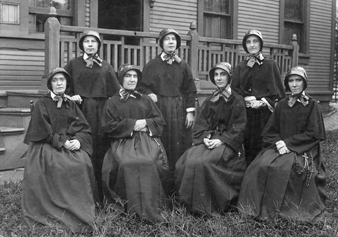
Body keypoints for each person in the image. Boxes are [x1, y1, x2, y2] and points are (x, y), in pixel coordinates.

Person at [237, 66, 326, 220]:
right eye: (291, 81)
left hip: (302, 148)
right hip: (279, 146)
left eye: (298, 80)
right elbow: (270, 130)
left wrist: (289, 144)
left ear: (304, 83)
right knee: (260, 164)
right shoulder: (282, 104)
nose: (294, 84)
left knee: (284, 168)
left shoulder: (313, 105)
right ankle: (255, 207)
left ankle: (281, 210)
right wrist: (278, 142)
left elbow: (313, 134)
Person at [22, 68, 98, 233]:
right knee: (60, 165)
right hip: (47, 145)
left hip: (70, 143)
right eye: (55, 80)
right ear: (50, 84)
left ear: (66, 83)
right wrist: (62, 142)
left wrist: (78, 140)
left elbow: (83, 126)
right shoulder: (41, 104)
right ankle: (56, 209)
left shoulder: (71, 103)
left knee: (82, 161)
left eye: (62, 80)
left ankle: (79, 207)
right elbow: (43, 130)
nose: (59, 83)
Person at [101, 64, 170, 223]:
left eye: (134, 76)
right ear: (121, 79)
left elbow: (159, 121)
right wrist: (132, 125)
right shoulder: (112, 101)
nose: (132, 79)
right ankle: (128, 206)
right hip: (123, 141)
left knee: (149, 162)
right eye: (127, 76)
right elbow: (108, 126)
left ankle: (152, 206)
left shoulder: (145, 99)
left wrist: (145, 123)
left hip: (147, 140)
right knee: (126, 163)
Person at [175, 62, 247, 215]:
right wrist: (205, 137)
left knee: (204, 163)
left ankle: (208, 205)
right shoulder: (210, 100)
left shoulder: (237, 99)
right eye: (216, 75)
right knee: (186, 160)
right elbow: (201, 123)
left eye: (223, 75)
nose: (219, 78)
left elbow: (239, 127)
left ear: (229, 77)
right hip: (209, 139)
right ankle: (188, 203)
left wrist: (221, 140)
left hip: (227, 142)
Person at [138, 28, 197, 193]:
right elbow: (142, 87)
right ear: (161, 43)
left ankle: (179, 187)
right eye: (167, 39)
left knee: (179, 145)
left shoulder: (183, 65)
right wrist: (150, 94)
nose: (171, 42)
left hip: (179, 109)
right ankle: (163, 188)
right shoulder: (152, 65)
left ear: (177, 44)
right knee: (162, 144)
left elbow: (190, 90)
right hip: (160, 109)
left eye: (174, 39)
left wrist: (190, 111)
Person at [64, 29, 120, 201]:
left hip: (101, 109)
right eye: (86, 42)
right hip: (80, 109)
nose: (90, 45)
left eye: (93, 42)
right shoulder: (73, 64)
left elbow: (115, 91)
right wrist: (71, 96)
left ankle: (102, 190)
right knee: (84, 143)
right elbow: (63, 87)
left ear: (98, 45)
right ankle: (83, 191)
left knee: (101, 146)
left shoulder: (105, 65)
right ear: (82, 45)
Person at [231, 30, 285, 167]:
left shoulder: (270, 64)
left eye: (255, 41)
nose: (252, 45)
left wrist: (262, 102)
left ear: (261, 44)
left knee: (264, 147)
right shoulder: (241, 67)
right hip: (246, 114)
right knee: (247, 147)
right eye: (248, 42)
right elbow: (235, 91)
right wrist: (245, 101)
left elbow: (279, 93)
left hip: (265, 115)